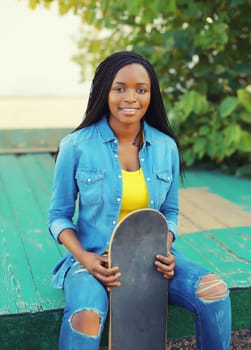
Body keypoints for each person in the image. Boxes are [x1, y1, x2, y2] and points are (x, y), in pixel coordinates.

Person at [48, 51, 231, 350]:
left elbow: (170, 212)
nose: (130, 97)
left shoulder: (165, 147)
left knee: (214, 291)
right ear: (104, 92)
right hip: (94, 260)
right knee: (85, 319)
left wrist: (166, 247)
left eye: (141, 90)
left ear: (151, 95)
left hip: (152, 259)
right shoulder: (75, 146)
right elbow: (57, 215)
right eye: (119, 88)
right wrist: (85, 258)